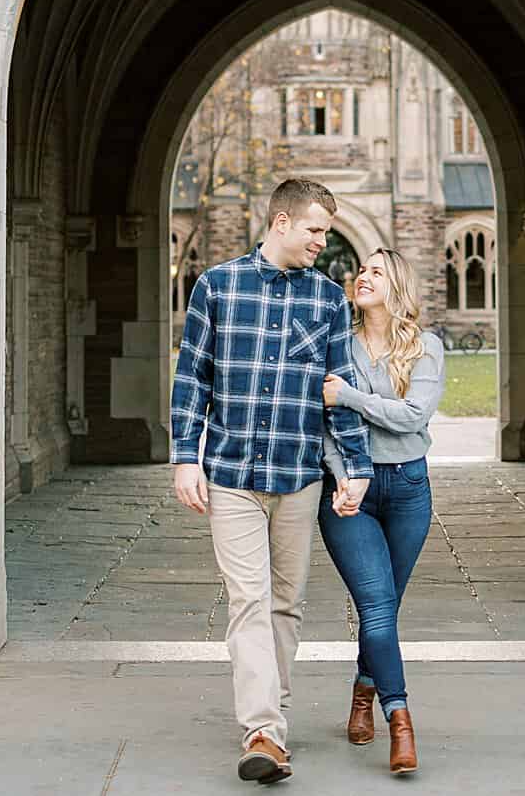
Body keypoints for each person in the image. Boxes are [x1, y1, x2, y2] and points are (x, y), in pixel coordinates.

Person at [170, 178, 374, 785]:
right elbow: (191, 379)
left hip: (298, 475)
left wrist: (355, 468)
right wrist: (186, 455)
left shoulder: (329, 301)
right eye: (314, 230)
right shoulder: (217, 287)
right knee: (250, 600)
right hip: (231, 473)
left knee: (286, 604)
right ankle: (261, 729)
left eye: (327, 232)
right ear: (280, 222)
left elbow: (339, 395)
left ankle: (272, 722)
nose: (322, 241)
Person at [319, 247, 444, 776]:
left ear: (396, 287)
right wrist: (342, 476)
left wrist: (350, 396)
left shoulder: (426, 347)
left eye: (375, 272)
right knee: (375, 606)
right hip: (352, 495)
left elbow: (414, 416)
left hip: (409, 489)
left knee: (385, 610)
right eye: (360, 271)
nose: (361, 277)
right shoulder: (335, 345)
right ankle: (400, 719)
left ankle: (363, 689)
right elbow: (319, 422)